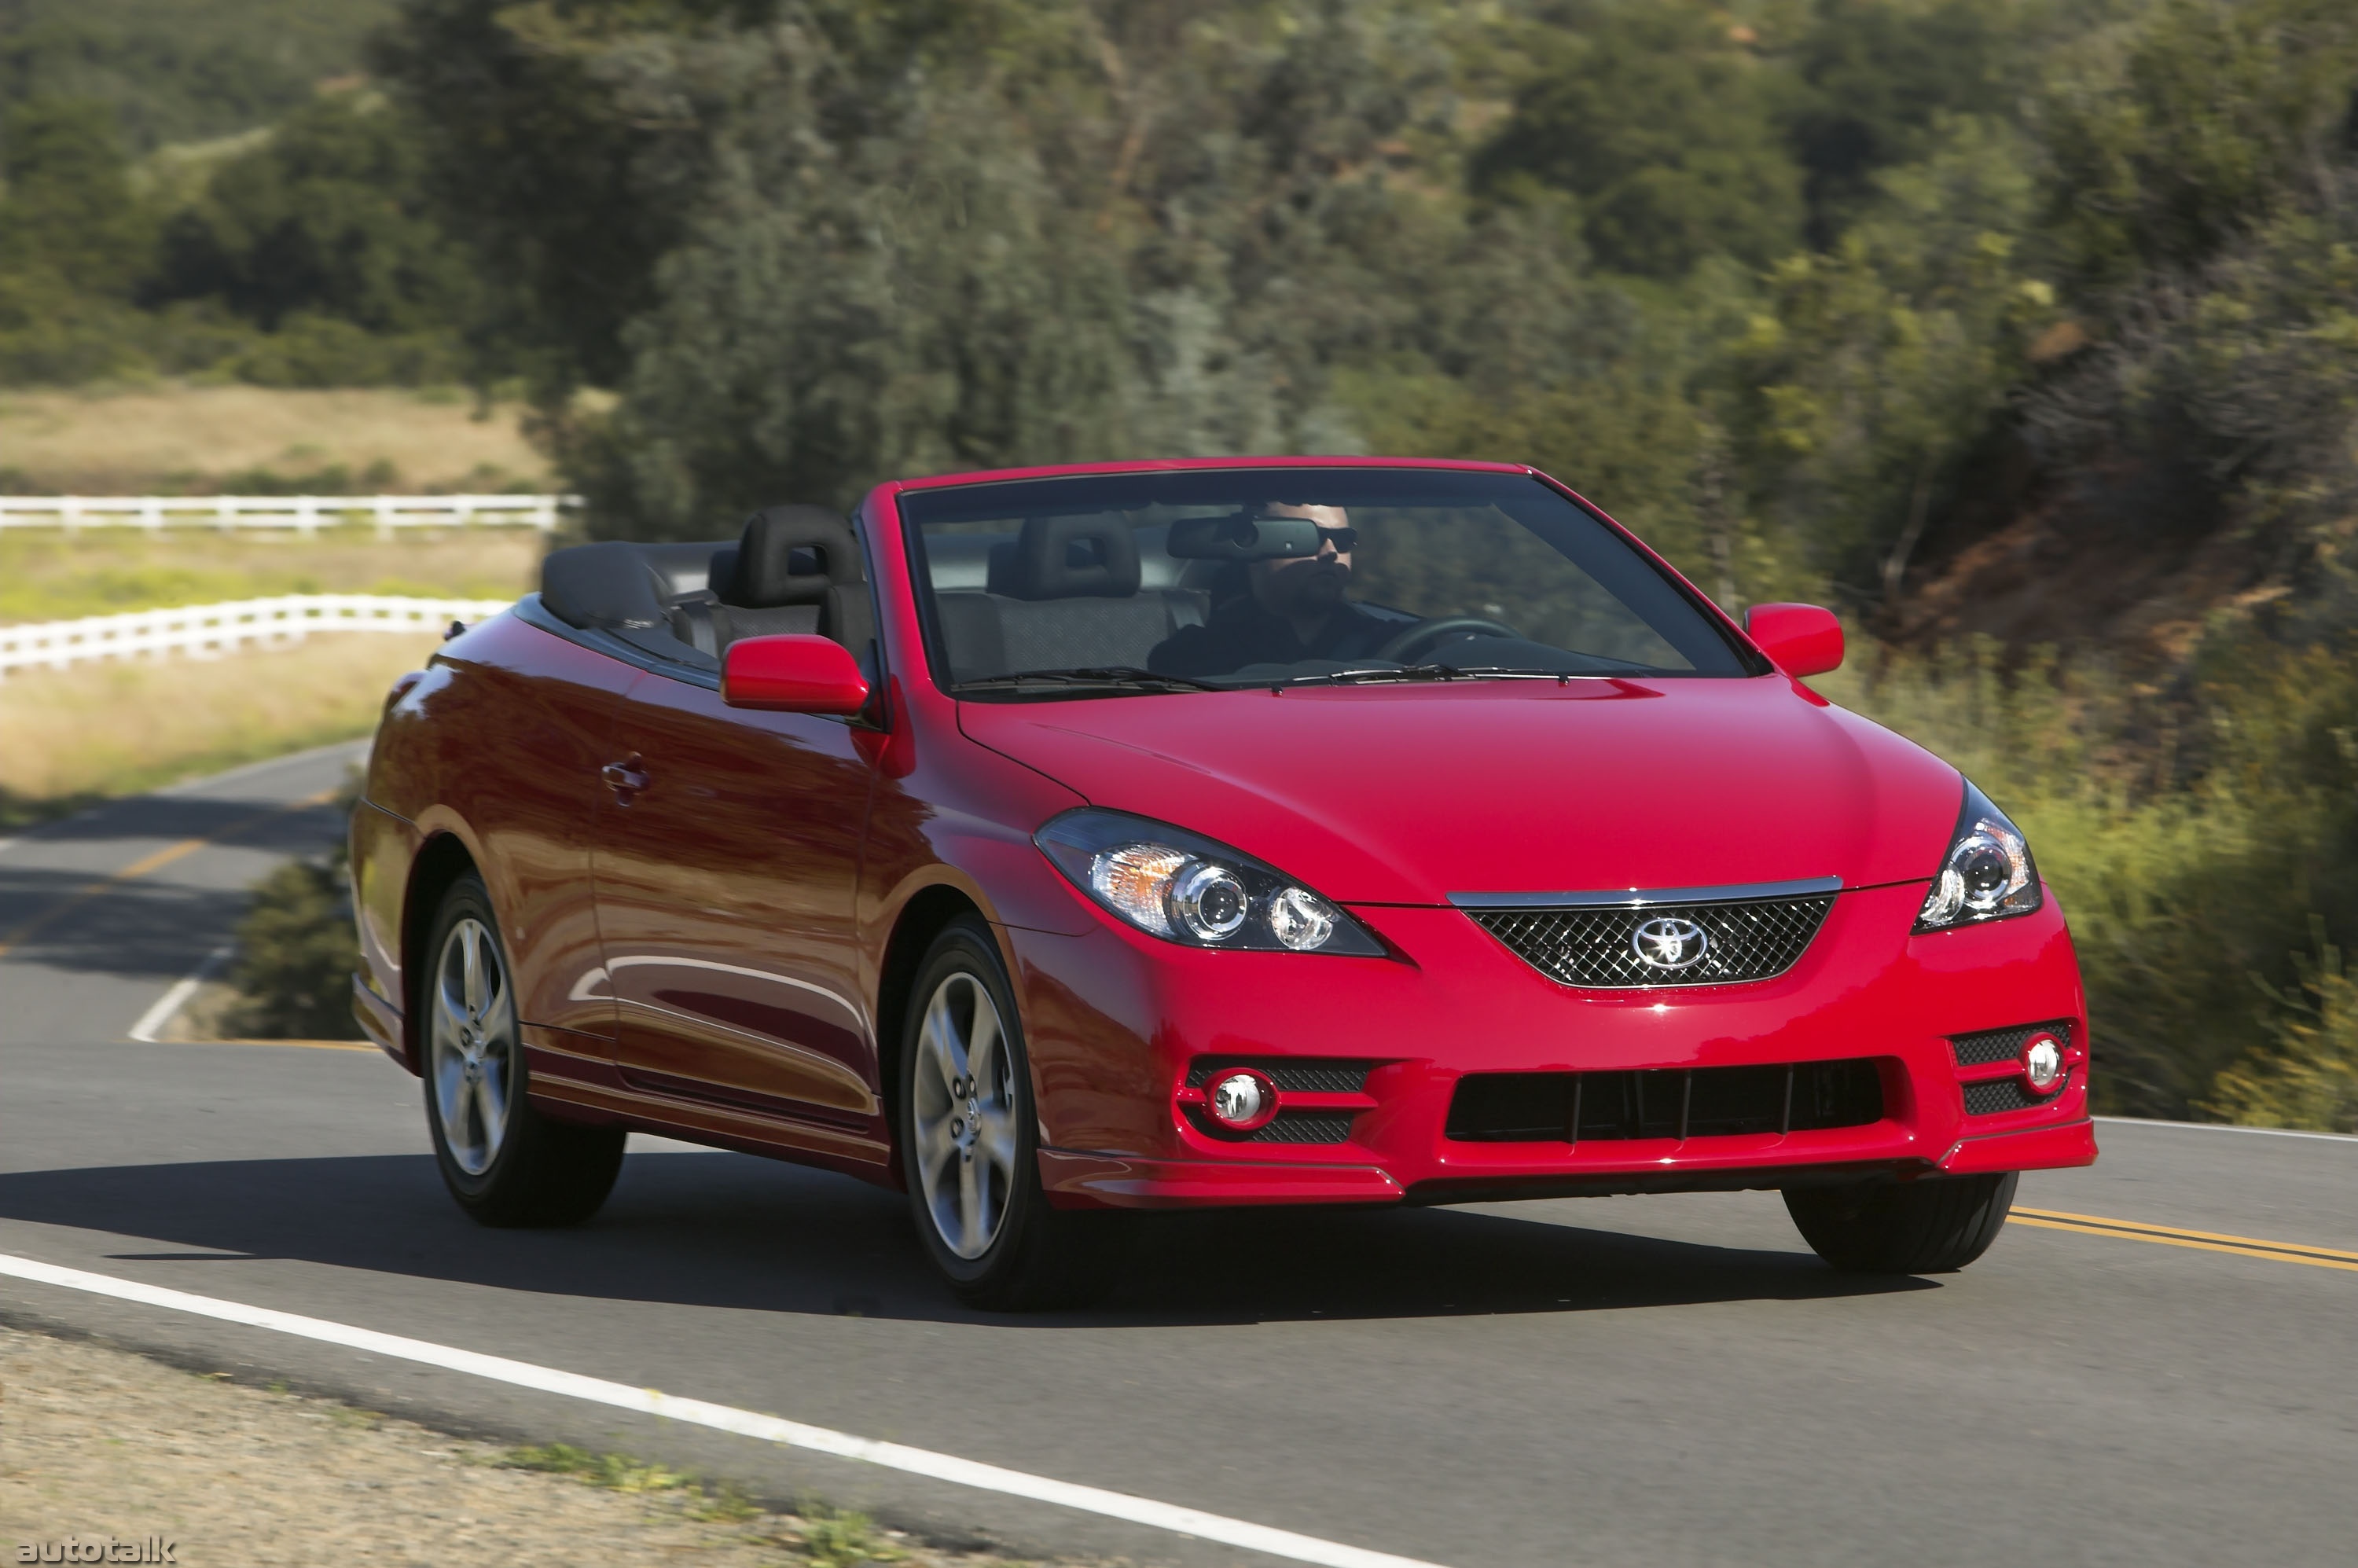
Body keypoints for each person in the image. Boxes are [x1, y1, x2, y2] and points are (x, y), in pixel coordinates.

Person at [1148, 503, 1395, 677]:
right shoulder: (1192, 657)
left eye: (1343, 539)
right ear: (1253, 550)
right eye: (1306, 536)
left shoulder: (1393, 642)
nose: (1331, 551)